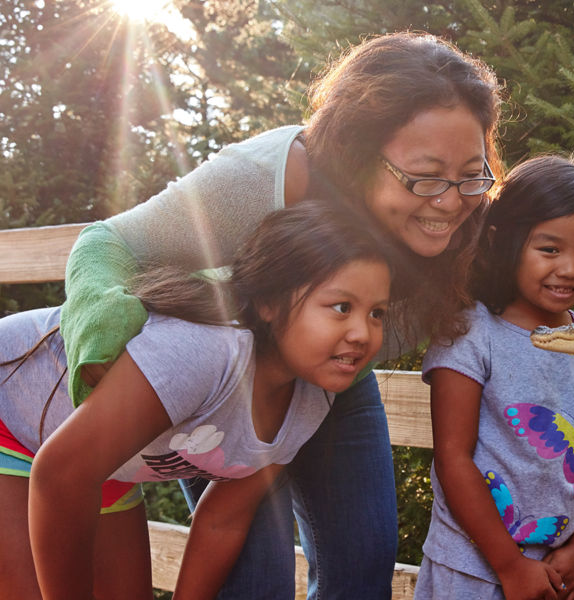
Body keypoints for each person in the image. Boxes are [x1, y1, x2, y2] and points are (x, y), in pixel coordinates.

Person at [58, 32, 503, 598]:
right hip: (229, 378)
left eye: (470, 172)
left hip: (335, 382)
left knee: (362, 565)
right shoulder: (257, 182)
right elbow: (106, 243)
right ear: (359, 153)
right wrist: (102, 335)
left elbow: (560, 289)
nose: (449, 202)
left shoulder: (473, 220)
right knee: (252, 572)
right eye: (424, 175)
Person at [0, 200, 394, 600]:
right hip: (11, 421)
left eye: (377, 313)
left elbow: (222, 521)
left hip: (93, 465)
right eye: (342, 307)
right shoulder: (204, 350)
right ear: (270, 302)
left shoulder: (315, 397)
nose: (363, 333)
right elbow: (61, 474)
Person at [414, 156, 574, 600]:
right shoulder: (471, 334)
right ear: (502, 242)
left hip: (556, 573)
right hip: (470, 570)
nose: (570, 268)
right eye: (549, 249)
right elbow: (453, 459)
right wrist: (510, 566)